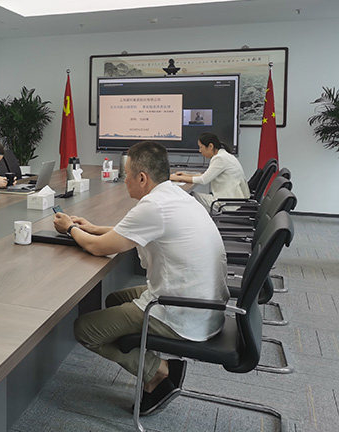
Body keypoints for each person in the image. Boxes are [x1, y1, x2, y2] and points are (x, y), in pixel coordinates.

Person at [53, 141, 227, 416]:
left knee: (85, 329)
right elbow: (133, 232)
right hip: (204, 303)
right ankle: (154, 365)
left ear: (142, 178)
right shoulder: (174, 195)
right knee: (115, 300)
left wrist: (70, 228)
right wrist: (94, 227)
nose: (125, 181)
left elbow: (98, 248)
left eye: (127, 175)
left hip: (182, 312)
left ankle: (158, 372)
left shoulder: (153, 207)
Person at [170, 132, 250, 210]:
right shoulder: (224, 155)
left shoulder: (220, 158)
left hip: (225, 204)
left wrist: (178, 178)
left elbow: (203, 180)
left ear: (210, 146)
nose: (200, 151)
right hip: (232, 201)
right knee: (189, 195)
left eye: (201, 147)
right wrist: (185, 175)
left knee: (187, 196)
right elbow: (206, 175)